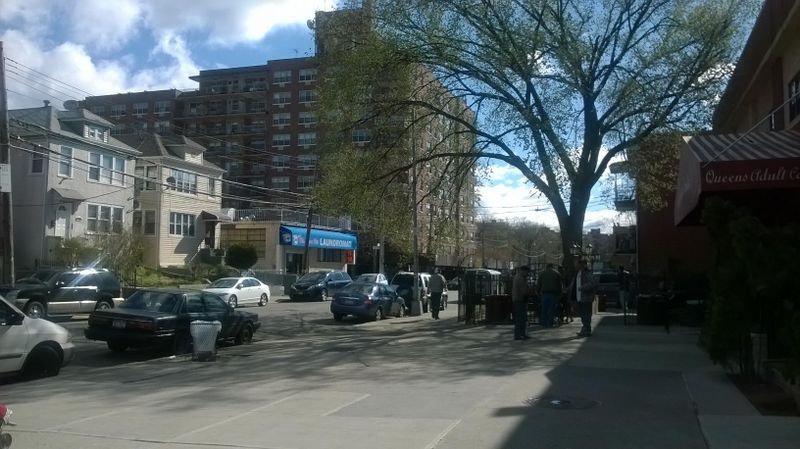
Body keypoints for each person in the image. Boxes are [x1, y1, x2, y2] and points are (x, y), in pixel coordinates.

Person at [568, 259, 598, 337]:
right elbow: (573, 284)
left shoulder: (588, 273)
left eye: (577, 264)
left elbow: (592, 283)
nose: (576, 266)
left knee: (586, 314)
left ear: (582, 265)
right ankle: (585, 329)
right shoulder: (577, 274)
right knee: (583, 314)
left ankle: (586, 329)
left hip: (586, 297)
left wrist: (582, 288)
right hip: (579, 298)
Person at [537, 263, 562, 328]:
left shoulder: (542, 273)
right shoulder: (556, 273)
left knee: (544, 309)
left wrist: (537, 291)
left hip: (544, 293)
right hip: (553, 293)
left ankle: (543, 323)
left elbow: (539, 284)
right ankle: (550, 323)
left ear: (546, 267)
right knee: (551, 309)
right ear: (552, 267)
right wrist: (560, 293)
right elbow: (559, 285)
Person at [512, 265, 531, 340]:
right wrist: (529, 290)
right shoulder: (520, 278)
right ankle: (518, 334)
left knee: (522, 318)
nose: (527, 274)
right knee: (520, 318)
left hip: (519, 299)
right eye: (527, 272)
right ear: (524, 271)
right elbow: (524, 291)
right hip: (519, 299)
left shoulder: (519, 277)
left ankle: (521, 333)